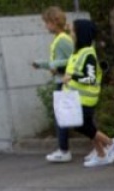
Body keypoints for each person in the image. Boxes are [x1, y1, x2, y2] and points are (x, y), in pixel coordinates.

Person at [62, 19, 114, 168]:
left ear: (80, 33)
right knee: (88, 127)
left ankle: (111, 143)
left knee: (82, 126)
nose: (71, 34)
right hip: (76, 97)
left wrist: (72, 77)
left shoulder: (88, 54)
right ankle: (101, 154)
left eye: (73, 31)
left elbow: (90, 78)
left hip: (85, 99)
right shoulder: (79, 52)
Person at [32, 7, 74, 163]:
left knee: (63, 117)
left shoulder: (63, 39)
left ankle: (64, 150)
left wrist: (52, 65)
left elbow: (73, 59)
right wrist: (42, 64)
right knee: (65, 117)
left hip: (64, 82)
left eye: (47, 22)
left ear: (54, 22)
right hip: (61, 80)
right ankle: (63, 149)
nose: (45, 26)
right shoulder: (60, 38)